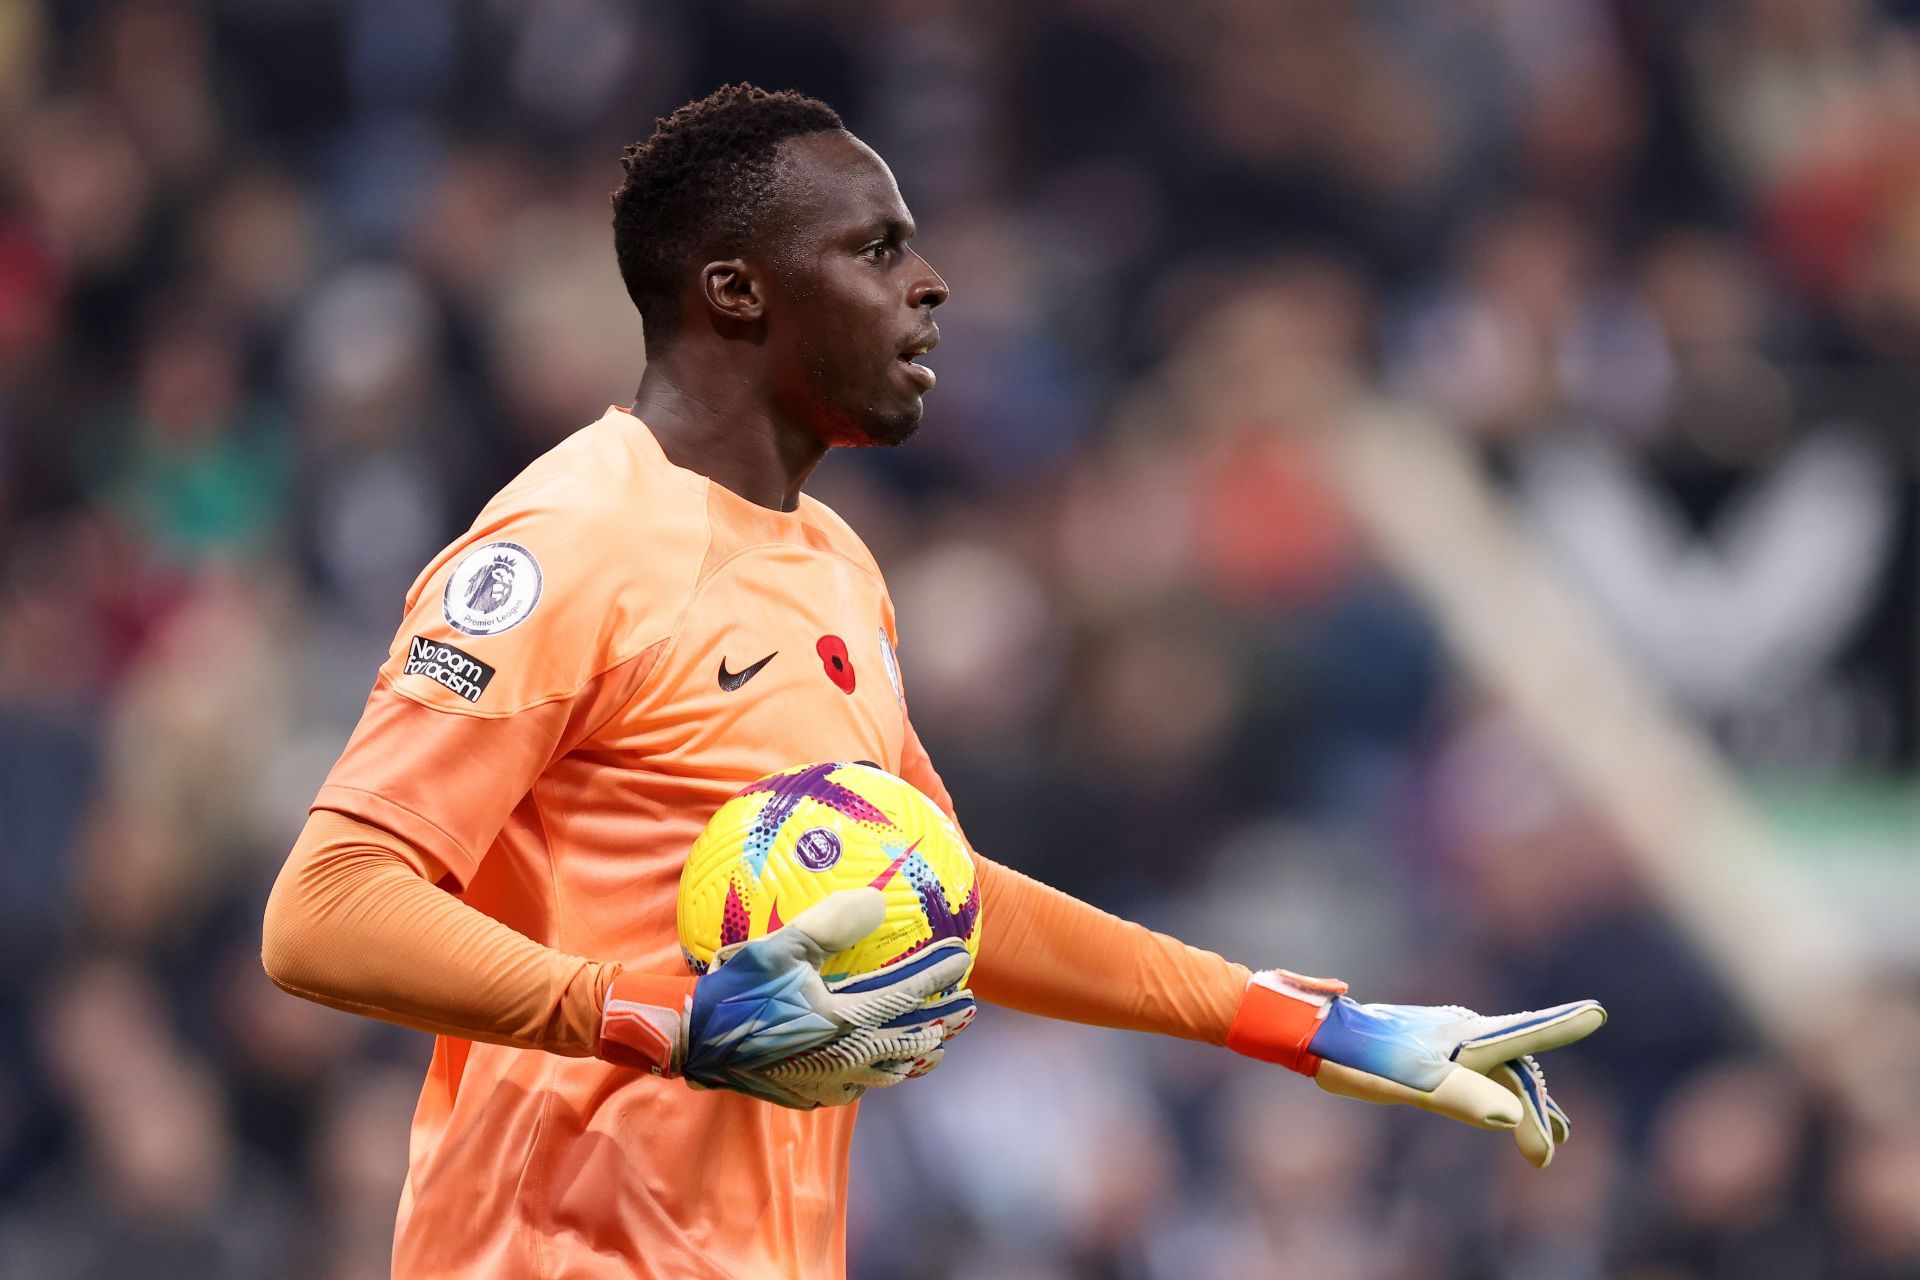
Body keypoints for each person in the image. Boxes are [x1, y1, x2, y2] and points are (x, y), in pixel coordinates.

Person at [261, 84, 1604, 1280]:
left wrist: (1311, 1028)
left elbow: (944, 897)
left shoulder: (835, 562)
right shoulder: (565, 545)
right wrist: (657, 1019)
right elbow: (323, 913)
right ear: (738, 293)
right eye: (876, 247)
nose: (932, 283)